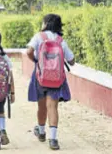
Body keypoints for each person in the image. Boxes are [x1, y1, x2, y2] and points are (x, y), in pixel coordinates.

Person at [26, 14, 75, 150]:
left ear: (46, 23)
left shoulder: (39, 37)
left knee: (41, 106)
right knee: (52, 107)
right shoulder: (61, 41)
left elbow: (29, 51)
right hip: (56, 79)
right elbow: (72, 61)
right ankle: (53, 139)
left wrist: (36, 60)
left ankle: (41, 132)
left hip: (40, 76)